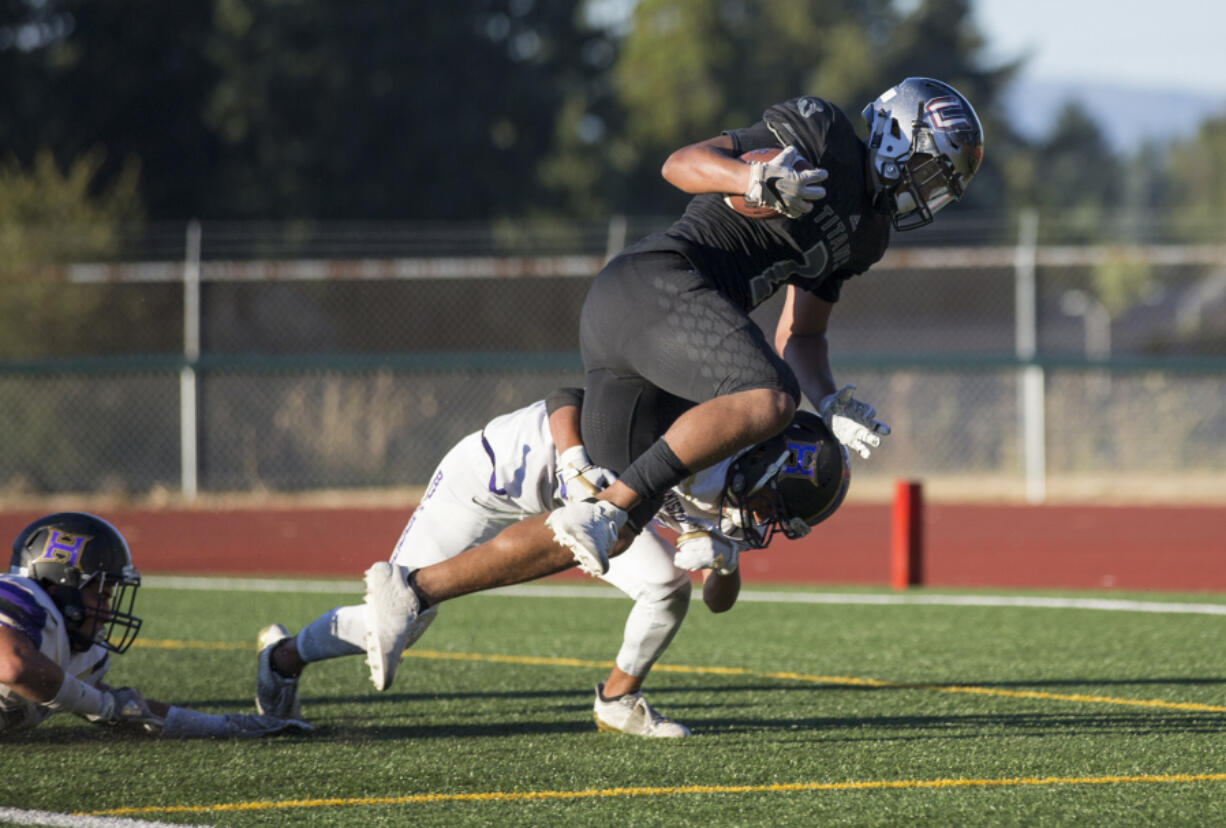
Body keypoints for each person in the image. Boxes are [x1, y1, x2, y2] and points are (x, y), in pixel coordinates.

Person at [357, 77, 982, 693]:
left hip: (669, 330)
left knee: (605, 531)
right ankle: (614, 512)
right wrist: (751, 177)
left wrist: (833, 400)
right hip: (657, 283)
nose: (930, 194)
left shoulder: (868, 235)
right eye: (932, 172)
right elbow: (681, 164)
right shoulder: (825, 134)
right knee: (767, 398)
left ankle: (409, 591)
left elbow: (805, 337)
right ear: (900, 137)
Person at [255, 391, 849, 736]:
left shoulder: (734, 487)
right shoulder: (701, 417)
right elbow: (571, 394)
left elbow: (720, 600)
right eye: (772, 502)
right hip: (494, 479)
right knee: (405, 615)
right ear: (768, 460)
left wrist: (724, 563)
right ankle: (281, 660)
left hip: (580, 509)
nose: (762, 516)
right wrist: (572, 462)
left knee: (668, 587)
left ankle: (616, 702)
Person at [1, 511, 312, 738]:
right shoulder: (22, 597)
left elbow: (130, 712)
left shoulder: (75, 650)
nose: (108, 613)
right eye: (103, 595)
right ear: (59, 586)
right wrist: (105, 705)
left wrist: (228, 726)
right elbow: (14, 666)